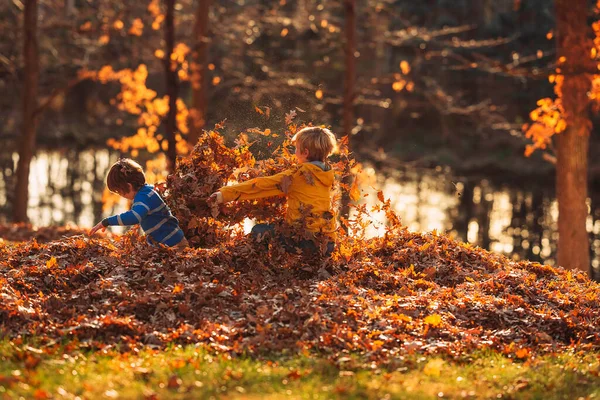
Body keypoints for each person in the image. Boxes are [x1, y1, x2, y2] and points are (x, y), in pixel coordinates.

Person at [209, 126, 338, 256]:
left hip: (304, 241)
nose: (294, 153)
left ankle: (261, 270)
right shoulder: (327, 174)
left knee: (259, 230)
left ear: (305, 152)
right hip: (327, 243)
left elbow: (261, 185)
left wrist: (224, 194)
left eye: (296, 149)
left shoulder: (297, 174)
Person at [89, 158, 188, 249]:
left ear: (129, 186)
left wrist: (107, 221)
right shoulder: (148, 190)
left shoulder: (142, 198)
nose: (120, 195)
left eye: (119, 191)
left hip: (173, 244)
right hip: (171, 240)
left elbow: (134, 217)